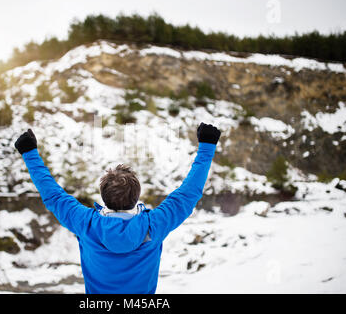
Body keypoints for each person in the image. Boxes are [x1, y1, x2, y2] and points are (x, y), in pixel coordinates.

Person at [14, 123, 220, 293]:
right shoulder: (154, 225)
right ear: (136, 196)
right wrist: (207, 146)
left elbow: (53, 194)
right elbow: (188, 193)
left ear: (104, 198)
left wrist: (30, 153)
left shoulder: (86, 223)